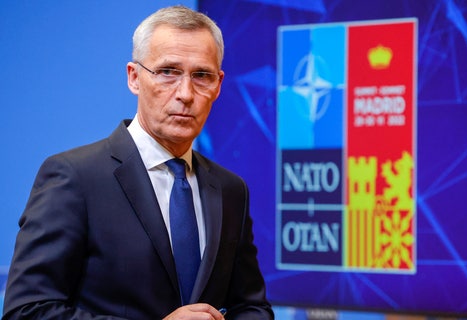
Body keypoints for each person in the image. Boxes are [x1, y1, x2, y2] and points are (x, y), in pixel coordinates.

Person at [2, 5, 273, 320]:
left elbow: (251, 307)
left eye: (201, 75)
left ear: (218, 84)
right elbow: (27, 312)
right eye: (168, 72)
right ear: (134, 77)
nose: (185, 93)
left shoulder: (230, 189)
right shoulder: (74, 177)